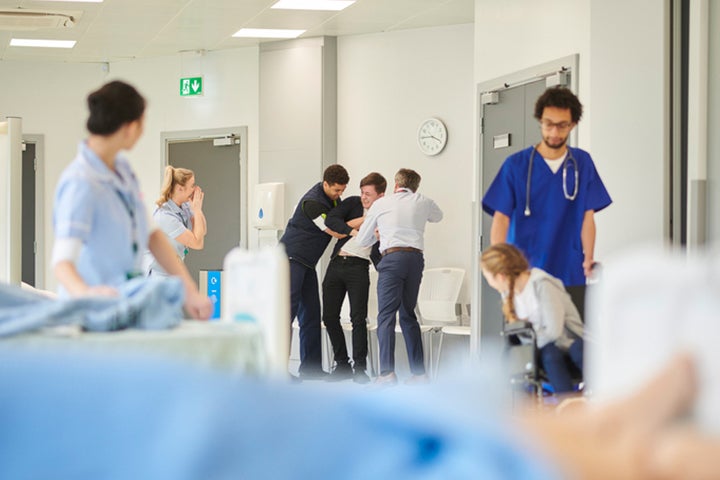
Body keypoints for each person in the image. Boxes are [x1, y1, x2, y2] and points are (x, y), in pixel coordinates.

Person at [52, 80, 212, 320]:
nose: (142, 131)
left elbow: (152, 235)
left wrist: (189, 290)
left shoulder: (123, 172)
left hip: (124, 302)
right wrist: (87, 294)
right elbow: (62, 264)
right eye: (142, 123)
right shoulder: (81, 181)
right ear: (129, 127)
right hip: (90, 312)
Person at [482, 87, 612, 295]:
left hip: (570, 269)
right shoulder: (515, 165)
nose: (554, 133)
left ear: (573, 124)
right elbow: (501, 218)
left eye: (562, 126)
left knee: (571, 327)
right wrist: (501, 264)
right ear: (540, 120)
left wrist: (588, 258)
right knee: (526, 328)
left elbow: (588, 216)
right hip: (523, 271)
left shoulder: (582, 163)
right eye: (549, 124)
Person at [356, 168, 442, 385]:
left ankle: (386, 374)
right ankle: (419, 374)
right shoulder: (423, 200)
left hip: (392, 259)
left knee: (385, 316)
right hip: (415, 260)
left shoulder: (382, 204)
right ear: (415, 187)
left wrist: (380, 233)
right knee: (408, 315)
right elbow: (438, 216)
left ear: (395, 185)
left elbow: (362, 241)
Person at [481, 243, 583, 393]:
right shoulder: (507, 294)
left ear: (500, 276)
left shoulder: (542, 285)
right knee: (512, 357)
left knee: (550, 354)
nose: (490, 284)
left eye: (488, 278)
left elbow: (554, 332)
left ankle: (568, 404)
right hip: (542, 347)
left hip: (567, 344)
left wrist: (531, 346)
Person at [279, 164, 349, 379]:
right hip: (290, 259)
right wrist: (361, 225)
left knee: (311, 314)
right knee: (285, 315)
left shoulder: (333, 200)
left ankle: (311, 369)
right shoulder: (313, 203)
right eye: (336, 190)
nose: (340, 194)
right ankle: (278, 371)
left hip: (307, 262)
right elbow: (336, 231)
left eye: (342, 190)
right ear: (325, 184)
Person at [322, 172, 386, 384]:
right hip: (336, 263)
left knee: (358, 319)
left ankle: (360, 368)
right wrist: (361, 222)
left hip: (359, 267)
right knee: (329, 316)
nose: (363, 197)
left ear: (381, 195)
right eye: (362, 192)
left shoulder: (386, 214)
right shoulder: (352, 203)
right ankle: (342, 364)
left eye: (368, 194)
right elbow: (331, 220)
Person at [144, 166, 207, 277]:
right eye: (192, 186)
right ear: (180, 188)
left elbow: (202, 232)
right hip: (159, 275)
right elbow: (197, 243)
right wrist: (196, 210)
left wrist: (198, 210)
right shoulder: (165, 216)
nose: (195, 189)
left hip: (172, 272)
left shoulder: (185, 206)